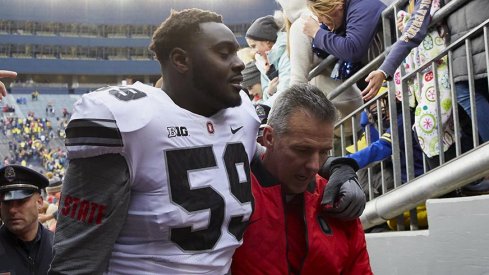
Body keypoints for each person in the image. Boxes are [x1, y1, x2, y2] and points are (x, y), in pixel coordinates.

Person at [49, 9, 364, 274]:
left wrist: (337, 167)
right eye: (223, 53)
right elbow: (78, 258)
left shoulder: (241, 115)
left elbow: (280, 155)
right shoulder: (130, 120)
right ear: (181, 60)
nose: (240, 63)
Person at [232, 84, 371, 275]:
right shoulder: (232, 198)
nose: (314, 165)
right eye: (302, 150)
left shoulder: (338, 201)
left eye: (324, 152)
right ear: (269, 137)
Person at [362, 0, 489, 143]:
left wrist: (384, 70)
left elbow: (416, 24)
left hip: (471, 38)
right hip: (468, 42)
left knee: (464, 92)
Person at [0, 165, 53, 274]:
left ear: (39, 202)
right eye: (6, 202)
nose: (12, 210)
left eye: (21, 201)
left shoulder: (58, 247)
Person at [246, 14, 290, 106]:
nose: (253, 52)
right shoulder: (261, 63)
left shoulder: (287, 53)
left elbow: (287, 91)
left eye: (254, 46)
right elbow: (265, 91)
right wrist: (269, 92)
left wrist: (264, 109)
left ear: (267, 41)